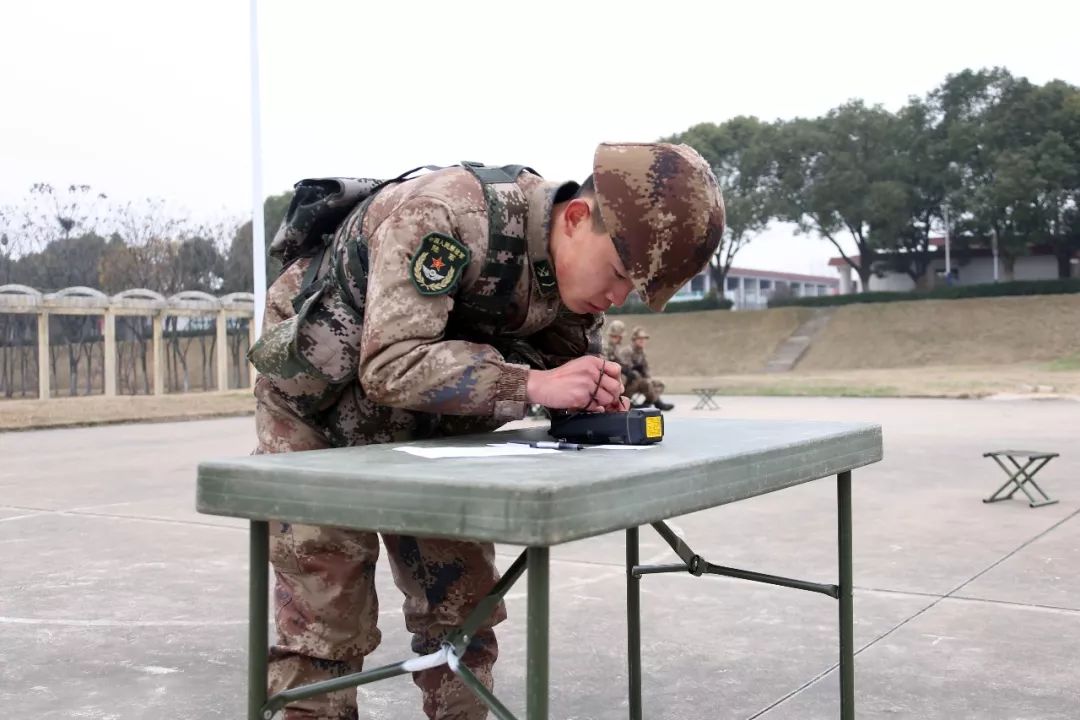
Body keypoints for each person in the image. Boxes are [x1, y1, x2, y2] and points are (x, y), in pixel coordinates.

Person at [248, 142, 725, 719]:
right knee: (327, 616)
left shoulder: (569, 282)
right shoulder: (446, 217)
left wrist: (589, 394)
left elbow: (558, 369)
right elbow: (391, 363)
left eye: (634, 290)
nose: (618, 297)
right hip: (316, 413)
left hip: (423, 429)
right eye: (620, 275)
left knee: (462, 609)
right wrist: (534, 384)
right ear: (576, 218)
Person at [619, 326, 674, 411]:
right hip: (628, 383)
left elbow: (646, 370)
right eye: (640, 338)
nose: (642, 341)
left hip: (640, 381)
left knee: (659, 384)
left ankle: (647, 404)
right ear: (634, 339)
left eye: (644, 338)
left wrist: (649, 378)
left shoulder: (642, 353)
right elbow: (626, 369)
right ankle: (657, 403)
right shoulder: (627, 351)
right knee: (645, 382)